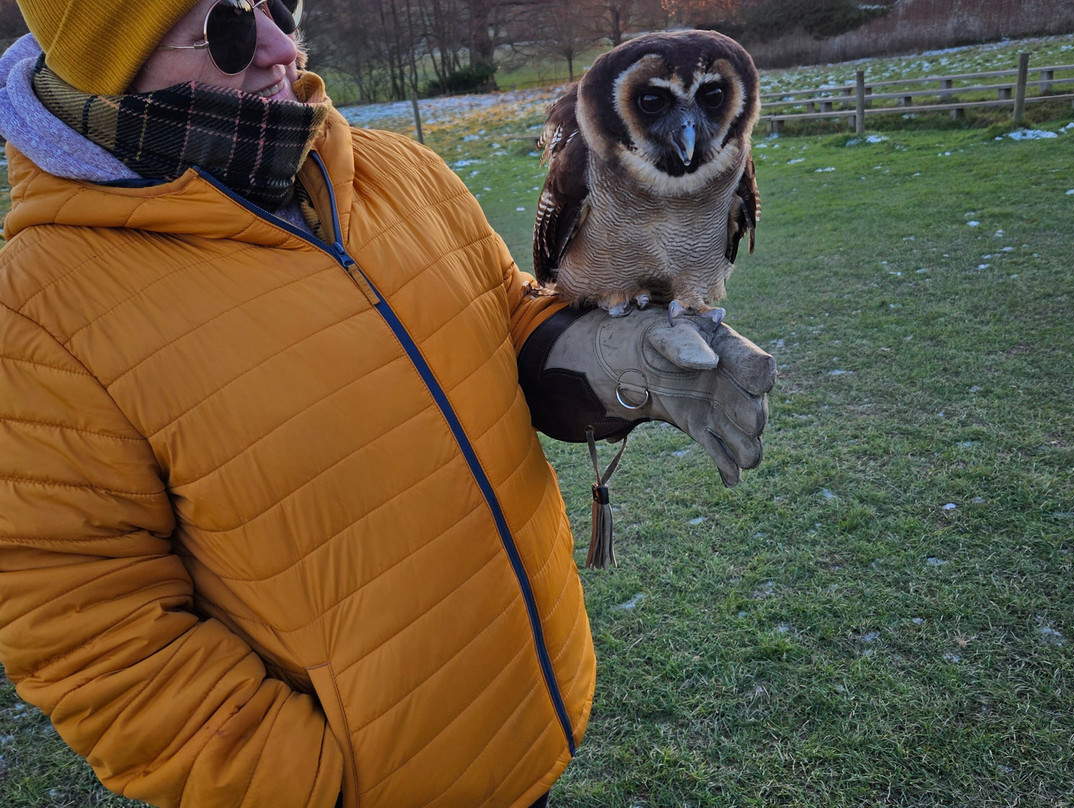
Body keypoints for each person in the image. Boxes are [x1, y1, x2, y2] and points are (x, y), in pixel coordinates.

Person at [0, 1, 774, 806]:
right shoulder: (39, 313)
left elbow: (499, 313)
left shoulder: (397, 169)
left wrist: (610, 363)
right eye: (225, 30)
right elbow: (90, 634)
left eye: (278, 5)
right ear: (110, 69)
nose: (277, 45)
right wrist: (306, 789)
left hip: (530, 719)